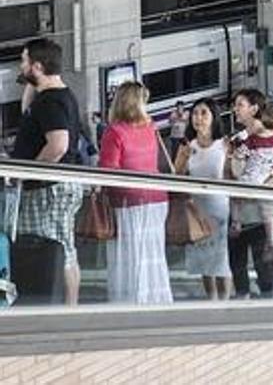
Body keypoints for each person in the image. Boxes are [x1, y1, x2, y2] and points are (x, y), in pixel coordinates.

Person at [12, 38, 86, 306]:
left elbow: (58, 145)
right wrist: (30, 86)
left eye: (24, 61)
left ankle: (64, 311)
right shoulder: (57, 96)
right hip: (59, 185)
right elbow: (28, 114)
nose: (21, 66)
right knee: (67, 249)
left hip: (48, 189)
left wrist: (28, 173)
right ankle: (70, 309)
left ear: (38, 66)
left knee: (59, 250)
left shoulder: (50, 102)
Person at [98, 81, 173, 304]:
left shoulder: (114, 131)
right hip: (158, 198)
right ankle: (156, 298)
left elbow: (108, 169)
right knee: (153, 253)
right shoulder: (151, 128)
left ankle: (132, 301)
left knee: (131, 256)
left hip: (128, 200)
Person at [226, 89, 273, 298]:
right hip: (244, 211)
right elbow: (231, 171)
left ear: (254, 109)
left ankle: (266, 308)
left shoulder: (264, 136)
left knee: (265, 269)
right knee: (238, 266)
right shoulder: (240, 138)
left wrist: (257, 187)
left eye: (240, 104)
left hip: (258, 211)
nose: (235, 109)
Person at [173, 98, 232, 300]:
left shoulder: (224, 145)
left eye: (204, 113)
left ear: (214, 116)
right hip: (197, 210)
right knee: (204, 261)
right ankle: (211, 301)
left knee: (221, 261)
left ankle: (225, 302)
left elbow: (232, 176)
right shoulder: (189, 146)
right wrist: (181, 159)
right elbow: (177, 176)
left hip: (219, 209)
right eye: (195, 113)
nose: (198, 118)